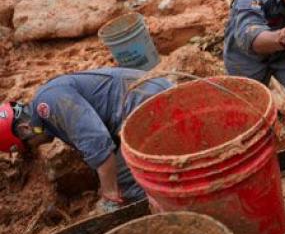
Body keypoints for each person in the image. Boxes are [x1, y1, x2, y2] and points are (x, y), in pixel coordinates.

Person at [0, 67, 172, 212]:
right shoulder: (47, 106)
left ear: (25, 129)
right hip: (146, 98)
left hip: (149, 103)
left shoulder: (48, 105)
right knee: (121, 174)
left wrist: (110, 195)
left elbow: (100, 147)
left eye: (28, 146)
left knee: (128, 182)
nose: (35, 148)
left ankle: (168, 217)